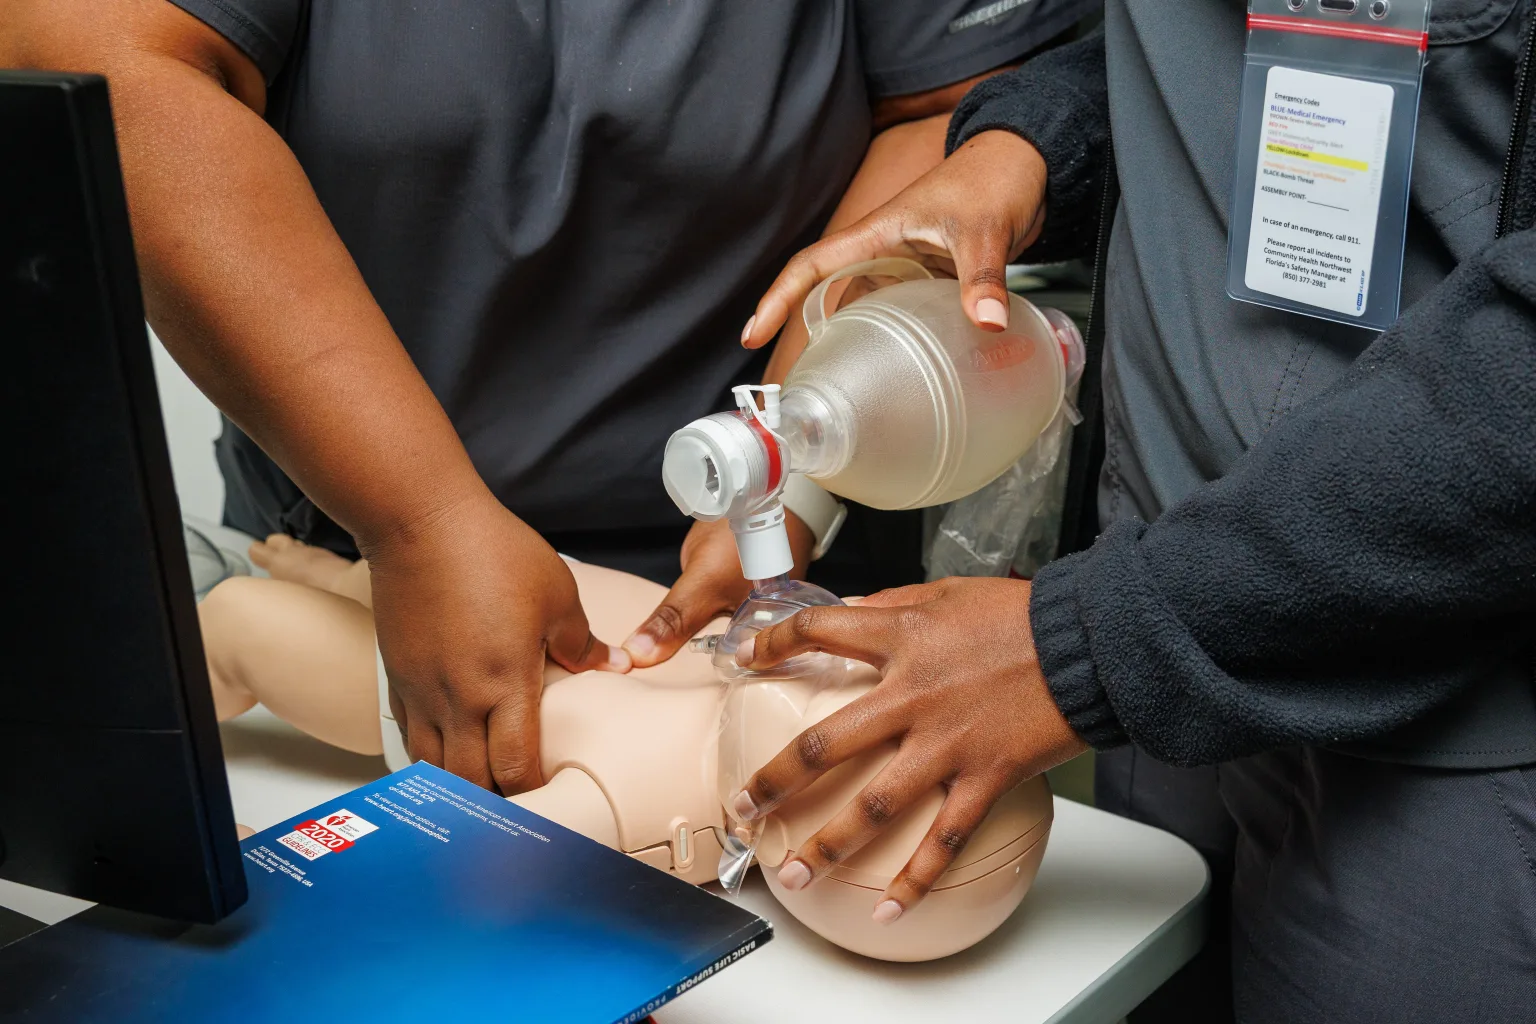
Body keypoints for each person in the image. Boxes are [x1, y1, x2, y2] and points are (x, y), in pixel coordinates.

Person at [2, 0, 1096, 797]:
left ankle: (261, 605)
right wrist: (416, 519)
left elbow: (957, 114)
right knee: (391, 678)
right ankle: (253, 609)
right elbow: (101, 65)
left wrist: (798, 461)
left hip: (760, 563)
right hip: (376, 527)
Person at [725, 4, 1536, 1022]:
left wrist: (1086, 643)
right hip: (1151, 671)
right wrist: (1034, 139)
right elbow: (1220, 52)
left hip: (1445, 718)